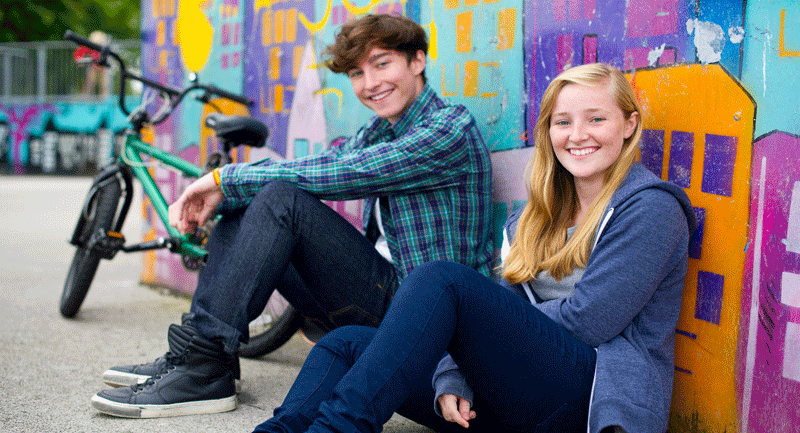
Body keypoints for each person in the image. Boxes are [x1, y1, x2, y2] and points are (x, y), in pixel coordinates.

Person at [251, 62, 697, 433]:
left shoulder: (650, 209)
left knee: (442, 280)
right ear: (549, 132)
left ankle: (338, 428)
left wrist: (467, 342)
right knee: (346, 343)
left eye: (596, 119)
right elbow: (507, 305)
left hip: (591, 400)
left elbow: (589, 320)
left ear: (629, 124)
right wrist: (454, 370)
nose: (578, 134)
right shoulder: (533, 217)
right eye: (563, 122)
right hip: (515, 395)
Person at [89, 14, 494, 418]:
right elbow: (323, 161)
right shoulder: (380, 130)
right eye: (357, 72)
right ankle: (202, 358)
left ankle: (200, 367)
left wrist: (222, 178)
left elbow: (345, 174)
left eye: (382, 63)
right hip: (387, 300)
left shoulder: (448, 129)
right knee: (247, 202)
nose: (370, 84)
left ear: (418, 61)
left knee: (278, 198)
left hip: (431, 315)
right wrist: (224, 191)